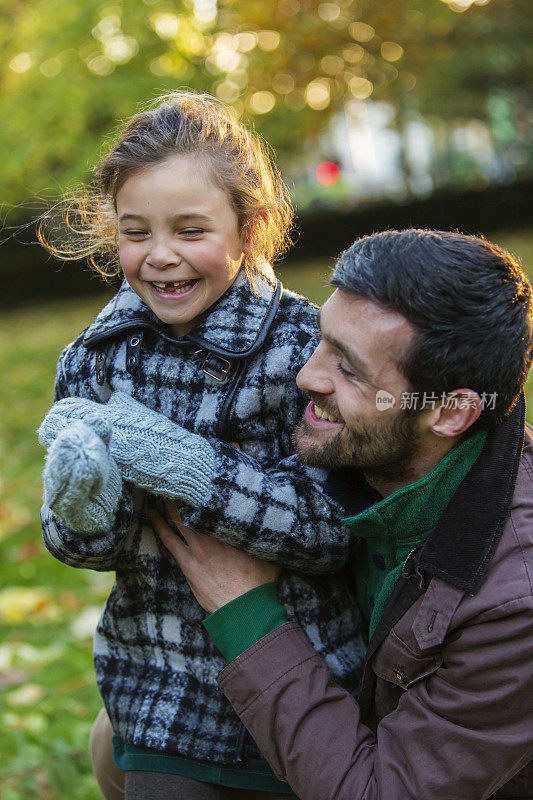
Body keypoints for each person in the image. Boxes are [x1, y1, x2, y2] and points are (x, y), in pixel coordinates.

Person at [36, 92, 366, 800]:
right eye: (135, 232)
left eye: (190, 230)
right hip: (159, 691)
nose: (160, 257)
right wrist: (82, 511)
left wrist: (190, 469)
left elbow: (333, 531)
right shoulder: (94, 359)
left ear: (250, 228)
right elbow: (84, 552)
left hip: (299, 676)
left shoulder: (301, 353)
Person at [152, 229, 533, 800]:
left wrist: (247, 617)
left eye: (349, 371)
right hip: (335, 732)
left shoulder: (514, 602)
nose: (308, 376)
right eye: (322, 340)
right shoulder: (360, 439)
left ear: (451, 412)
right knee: (127, 741)